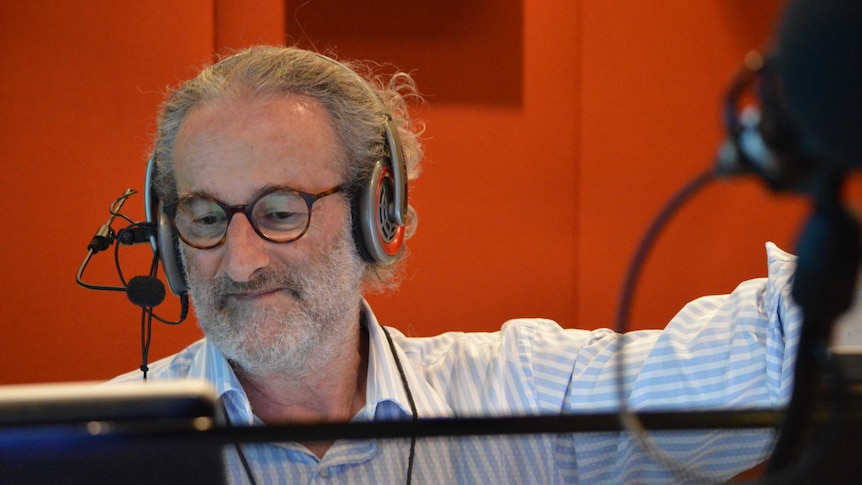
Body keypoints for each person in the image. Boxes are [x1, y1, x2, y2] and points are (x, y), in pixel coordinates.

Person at [111, 45, 802, 484]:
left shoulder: (523, 390)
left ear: (378, 214)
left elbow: (776, 345)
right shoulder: (96, 442)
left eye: (282, 211)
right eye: (204, 217)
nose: (240, 259)